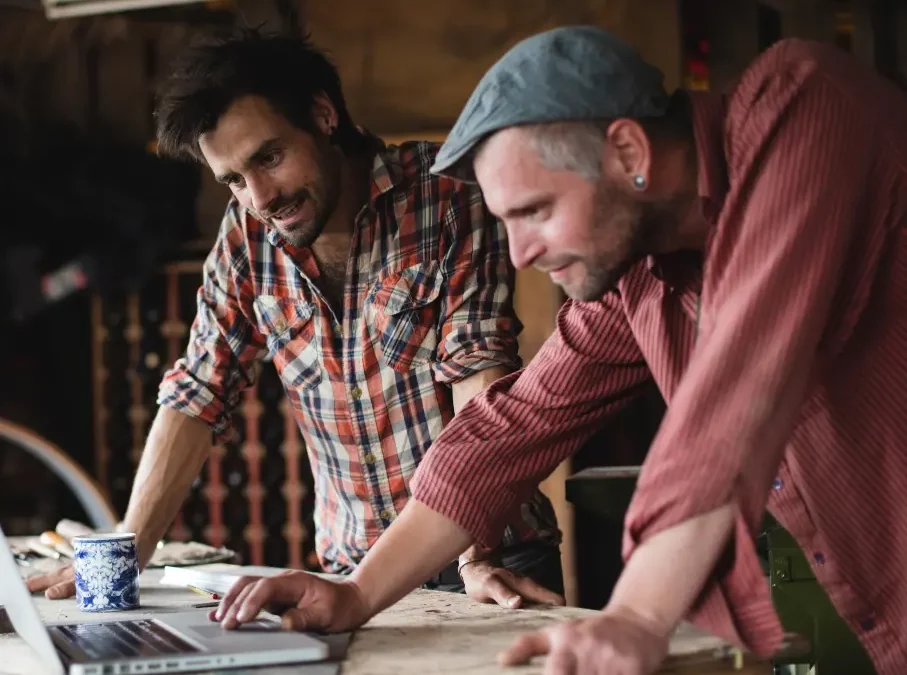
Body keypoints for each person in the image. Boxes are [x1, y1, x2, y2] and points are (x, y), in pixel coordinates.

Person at [204, 25, 907, 675]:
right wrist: (356, 592)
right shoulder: (639, 273)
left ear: (628, 152)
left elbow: (742, 375)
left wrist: (635, 614)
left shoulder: (804, 108)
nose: (519, 252)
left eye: (534, 211)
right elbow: (512, 426)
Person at [26, 28, 566, 611]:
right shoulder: (246, 236)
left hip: (490, 556)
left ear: (324, 114)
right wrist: (126, 549)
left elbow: (478, 376)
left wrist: (476, 556)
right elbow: (199, 391)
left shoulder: (447, 195)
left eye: (269, 158)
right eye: (233, 179)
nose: (259, 197)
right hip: (351, 569)